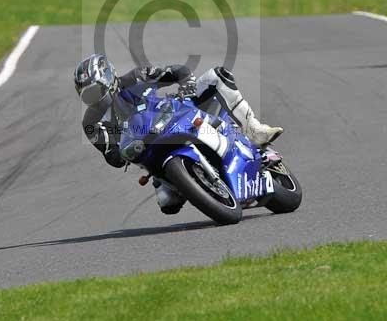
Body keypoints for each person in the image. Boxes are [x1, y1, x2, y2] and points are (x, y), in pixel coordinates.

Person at [73, 54, 283, 214]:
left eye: (97, 91)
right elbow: (111, 155)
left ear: (109, 77)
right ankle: (190, 183)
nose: (96, 99)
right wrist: (124, 152)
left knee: (216, 76)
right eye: (89, 96)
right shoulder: (91, 122)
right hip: (149, 152)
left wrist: (188, 87)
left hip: (176, 115)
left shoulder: (136, 77)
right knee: (167, 202)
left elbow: (176, 72)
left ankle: (253, 129)